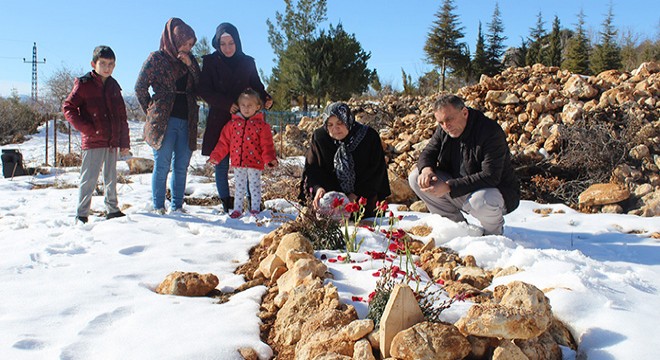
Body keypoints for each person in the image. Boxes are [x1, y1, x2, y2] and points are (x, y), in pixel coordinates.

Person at [408, 94, 520, 235]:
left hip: (495, 193)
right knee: (416, 177)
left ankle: (493, 236)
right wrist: (426, 170)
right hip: (461, 189)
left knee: (480, 201)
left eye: (449, 119)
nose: (446, 126)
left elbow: (490, 176)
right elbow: (428, 152)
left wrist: (449, 187)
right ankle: (456, 228)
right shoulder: (445, 130)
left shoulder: (490, 132)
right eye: (441, 122)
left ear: (465, 112)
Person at [198, 22, 272, 213]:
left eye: (231, 43)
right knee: (222, 165)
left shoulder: (247, 62)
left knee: (249, 161)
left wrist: (265, 98)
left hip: (246, 118)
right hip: (220, 118)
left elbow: (256, 84)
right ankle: (226, 201)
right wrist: (226, 104)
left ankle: (252, 201)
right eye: (223, 44)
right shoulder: (210, 61)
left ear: (237, 42)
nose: (227, 47)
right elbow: (204, 90)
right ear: (217, 44)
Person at [135, 18, 200, 214]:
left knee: (181, 167)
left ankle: (177, 206)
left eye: (191, 44)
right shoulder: (156, 58)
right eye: (185, 43)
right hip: (163, 121)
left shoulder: (191, 61)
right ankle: (158, 207)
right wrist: (151, 108)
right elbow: (140, 87)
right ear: (174, 39)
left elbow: (201, 86)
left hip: (187, 120)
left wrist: (191, 66)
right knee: (162, 165)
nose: (188, 47)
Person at [63, 45, 130, 224]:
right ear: (94, 64)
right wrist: (87, 129)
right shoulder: (84, 84)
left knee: (111, 177)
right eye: (103, 63)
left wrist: (124, 142)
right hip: (94, 140)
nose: (107, 67)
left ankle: (113, 209)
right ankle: (82, 213)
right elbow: (68, 107)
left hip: (112, 139)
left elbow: (122, 115)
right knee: (89, 178)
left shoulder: (114, 85)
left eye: (111, 64)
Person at [299, 102, 391, 217]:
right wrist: (318, 188)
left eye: (340, 123)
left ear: (348, 121)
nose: (335, 129)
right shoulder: (320, 137)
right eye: (330, 124)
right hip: (330, 200)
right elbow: (312, 169)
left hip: (363, 199)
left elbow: (376, 171)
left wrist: (355, 195)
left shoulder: (368, 137)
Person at [207, 89, 278, 218]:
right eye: (243, 105)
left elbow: (267, 145)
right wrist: (216, 156)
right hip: (238, 163)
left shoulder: (262, 126)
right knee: (239, 188)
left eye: (250, 105)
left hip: (255, 163)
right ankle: (237, 209)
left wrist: (269, 159)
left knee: (255, 187)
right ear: (238, 106)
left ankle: (255, 209)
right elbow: (223, 143)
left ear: (257, 107)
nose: (246, 108)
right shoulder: (232, 125)